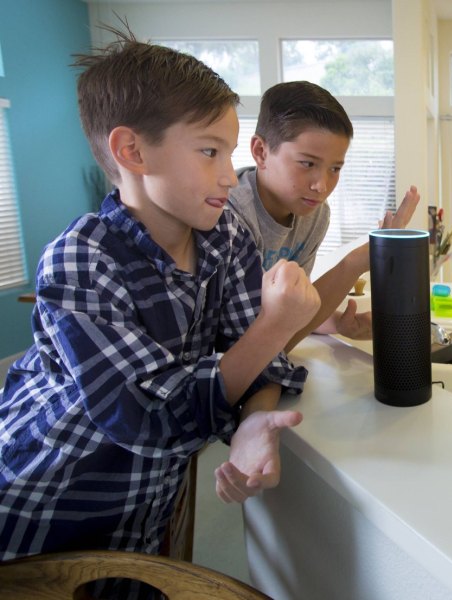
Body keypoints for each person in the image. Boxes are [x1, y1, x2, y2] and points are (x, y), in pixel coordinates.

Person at [0, 27, 320, 594]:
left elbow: (252, 359)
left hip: (143, 514)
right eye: (208, 150)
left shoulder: (227, 240)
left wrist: (253, 423)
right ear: (132, 151)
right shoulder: (80, 260)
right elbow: (152, 416)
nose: (229, 174)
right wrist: (277, 324)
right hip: (46, 511)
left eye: (229, 150)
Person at [228, 81, 420, 357]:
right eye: (307, 164)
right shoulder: (230, 216)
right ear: (261, 152)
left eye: (335, 168)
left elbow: (289, 315)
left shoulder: (314, 214)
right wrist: (355, 263)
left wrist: (334, 322)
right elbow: (260, 348)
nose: (322, 185)